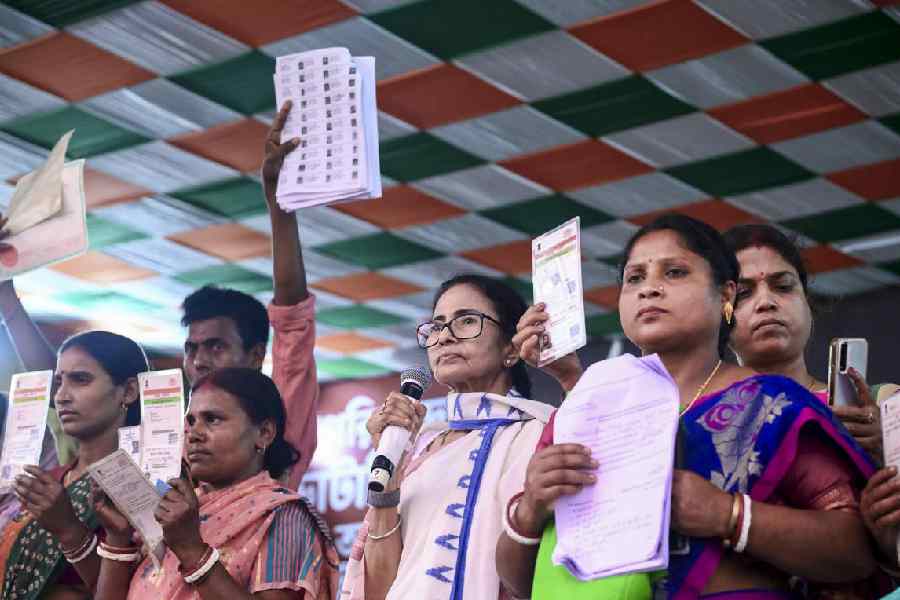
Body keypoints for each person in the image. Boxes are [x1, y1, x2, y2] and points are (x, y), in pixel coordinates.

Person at [497, 215, 877, 599]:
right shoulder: (582, 412)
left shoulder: (774, 403)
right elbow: (517, 586)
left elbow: (857, 552)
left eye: (674, 272)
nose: (649, 290)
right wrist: (530, 509)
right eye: (635, 278)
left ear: (726, 295)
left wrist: (730, 515)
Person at [341, 274, 580, 600]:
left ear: (511, 348)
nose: (445, 337)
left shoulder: (541, 431)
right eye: (437, 326)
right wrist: (389, 486)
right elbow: (381, 589)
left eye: (467, 321)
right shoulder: (417, 447)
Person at [92, 367, 338, 600]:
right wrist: (118, 536)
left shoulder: (283, 516)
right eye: (190, 421)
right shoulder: (175, 510)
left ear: (264, 433)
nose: (194, 433)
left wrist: (191, 549)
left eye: (212, 420)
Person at [181, 100, 318, 490]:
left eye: (216, 346)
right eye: (191, 348)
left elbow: (292, 314)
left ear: (257, 355)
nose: (200, 360)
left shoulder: (279, 408)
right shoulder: (177, 428)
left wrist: (277, 201)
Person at [724, 224, 897, 462]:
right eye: (743, 293)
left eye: (783, 286)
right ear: (719, 318)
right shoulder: (700, 426)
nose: (766, 301)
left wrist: (890, 446)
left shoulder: (885, 404)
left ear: (807, 304)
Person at [0, 330, 149, 600]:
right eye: (59, 382)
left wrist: (69, 528)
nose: (62, 396)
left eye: (80, 380)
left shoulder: (143, 484)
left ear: (127, 391)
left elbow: (140, 590)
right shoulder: (51, 480)